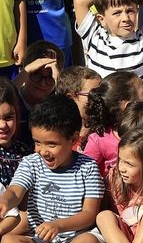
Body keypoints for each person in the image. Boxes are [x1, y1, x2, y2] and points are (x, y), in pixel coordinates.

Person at [0, 94, 104, 243]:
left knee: (88, 240)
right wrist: (5, 201)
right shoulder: (31, 163)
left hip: (75, 236)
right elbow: (15, 191)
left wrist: (59, 225)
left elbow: (89, 214)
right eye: (37, 142)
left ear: (73, 139)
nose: (42, 151)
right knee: (9, 240)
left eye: (51, 144)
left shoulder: (88, 168)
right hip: (40, 237)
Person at [74, 0, 143, 102]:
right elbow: (79, 2)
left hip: (141, 116)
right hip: (107, 115)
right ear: (101, 19)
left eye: (130, 11)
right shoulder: (94, 37)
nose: (125, 18)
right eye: (117, 13)